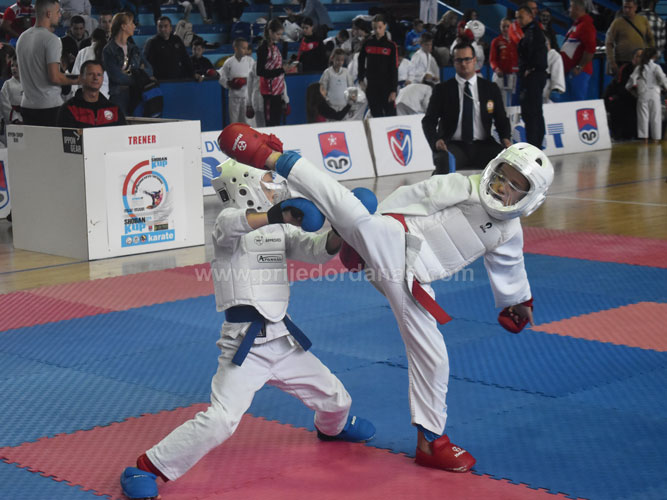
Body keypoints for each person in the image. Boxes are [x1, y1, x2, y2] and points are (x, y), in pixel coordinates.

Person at [219, 122, 554, 476]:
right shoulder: (464, 187)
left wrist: (517, 301)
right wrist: (377, 219)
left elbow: (510, 265)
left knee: (434, 355)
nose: (503, 188)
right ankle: (274, 158)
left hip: (412, 281)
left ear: (530, 199)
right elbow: (417, 194)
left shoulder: (508, 231)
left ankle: (430, 441)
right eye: (502, 178)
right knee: (353, 212)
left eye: (515, 187)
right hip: (397, 240)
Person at [120, 158, 376, 500]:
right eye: (268, 182)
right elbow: (235, 224)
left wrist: (340, 230)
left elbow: (315, 250)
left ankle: (332, 430)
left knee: (337, 399)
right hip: (245, 346)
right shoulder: (227, 223)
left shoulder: (279, 230)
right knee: (222, 421)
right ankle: (146, 467)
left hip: (283, 342)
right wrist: (278, 214)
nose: (275, 188)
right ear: (245, 185)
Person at [422, 42, 512, 175]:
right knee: (444, 160)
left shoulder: (490, 88)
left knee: (507, 162)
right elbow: (428, 121)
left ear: (474, 60)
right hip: (453, 145)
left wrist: (505, 137)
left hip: (484, 145)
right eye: (459, 60)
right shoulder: (442, 90)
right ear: (453, 62)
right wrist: (436, 141)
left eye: (467, 59)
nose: (463, 64)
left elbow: (501, 119)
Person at [16, 0, 76, 126]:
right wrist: (81, 79)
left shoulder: (22, 37)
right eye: (58, 12)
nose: (60, 15)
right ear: (49, 14)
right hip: (49, 107)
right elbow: (55, 77)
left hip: (27, 105)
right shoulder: (52, 39)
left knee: (33, 140)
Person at [103, 11, 153, 115]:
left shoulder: (134, 48)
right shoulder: (109, 50)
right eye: (131, 23)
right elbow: (117, 77)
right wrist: (139, 75)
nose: (134, 26)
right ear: (123, 26)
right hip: (119, 95)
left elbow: (149, 70)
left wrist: (133, 75)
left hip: (137, 93)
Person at [56, 60, 127, 127]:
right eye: (90, 74)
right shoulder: (69, 109)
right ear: (81, 77)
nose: (95, 78)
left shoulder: (114, 110)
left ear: (103, 79)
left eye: (99, 75)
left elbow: (122, 134)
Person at [516, 4, 547, 148]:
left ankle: (534, 145)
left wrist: (530, 68)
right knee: (534, 112)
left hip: (533, 76)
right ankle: (535, 144)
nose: (519, 21)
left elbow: (533, 53)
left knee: (531, 113)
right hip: (534, 75)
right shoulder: (530, 31)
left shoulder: (533, 31)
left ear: (530, 16)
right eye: (517, 18)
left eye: (521, 17)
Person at [358, 14, 398, 117]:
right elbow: (360, 60)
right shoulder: (367, 43)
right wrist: (360, 79)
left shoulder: (391, 46)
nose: (377, 30)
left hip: (387, 87)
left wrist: (393, 90)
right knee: (376, 115)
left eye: (380, 27)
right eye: (375, 28)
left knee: (391, 116)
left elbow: (394, 68)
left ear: (385, 26)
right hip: (372, 87)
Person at [626, 47, 667, 143]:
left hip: (642, 94)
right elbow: (662, 79)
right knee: (655, 117)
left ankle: (644, 139)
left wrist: (631, 90)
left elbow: (631, 81)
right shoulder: (656, 67)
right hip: (655, 94)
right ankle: (656, 139)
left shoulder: (639, 68)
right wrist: (665, 87)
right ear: (654, 57)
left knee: (642, 117)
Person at [605, 0, 654, 75]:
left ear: (635, 7)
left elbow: (650, 39)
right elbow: (609, 43)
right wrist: (612, 62)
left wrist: (649, 55)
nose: (627, 10)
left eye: (629, 7)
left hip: (639, 62)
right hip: (621, 62)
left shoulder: (643, 20)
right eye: (625, 7)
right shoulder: (617, 23)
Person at [560, 0, 596, 102]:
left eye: (571, 7)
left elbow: (590, 50)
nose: (569, 9)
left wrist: (580, 67)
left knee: (577, 104)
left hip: (578, 73)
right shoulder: (577, 25)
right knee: (567, 104)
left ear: (577, 9)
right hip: (570, 71)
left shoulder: (586, 25)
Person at [604, 47, 642, 140]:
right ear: (633, 59)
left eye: (642, 56)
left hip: (640, 99)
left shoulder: (651, 70)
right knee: (618, 104)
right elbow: (621, 87)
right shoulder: (625, 68)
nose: (640, 58)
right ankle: (618, 134)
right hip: (623, 97)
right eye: (638, 56)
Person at [257, 18, 288, 126]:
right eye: (278, 34)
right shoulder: (263, 48)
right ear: (270, 32)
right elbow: (260, 71)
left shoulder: (275, 47)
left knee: (277, 123)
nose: (279, 37)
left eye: (281, 34)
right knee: (270, 123)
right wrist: (281, 70)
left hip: (277, 91)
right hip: (269, 92)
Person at [143, 16, 194, 81]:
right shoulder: (152, 42)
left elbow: (185, 58)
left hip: (177, 80)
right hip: (159, 81)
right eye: (160, 26)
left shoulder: (177, 40)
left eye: (165, 26)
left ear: (171, 28)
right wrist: (149, 76)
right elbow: (145, 62)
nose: (162, 29)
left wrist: (193, 73)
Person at [219, 37, 254, 124]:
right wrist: (229, 83)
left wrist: (244, 80)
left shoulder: (250, 61)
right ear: (236, 48)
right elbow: (222, 76)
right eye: (243, 48)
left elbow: (255, 76)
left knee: (246, 122)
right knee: (234, 121)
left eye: (246, 48)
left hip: (246, 97)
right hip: (233, 96)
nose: (245, 50)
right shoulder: (229, 62)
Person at [70, 28, 109, 98]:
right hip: (105, 95)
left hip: (85, 95)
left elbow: (75, 75)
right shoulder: (109, 53)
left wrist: (74, 95)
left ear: (92, 39)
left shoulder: (83, 52)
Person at [490, 17, 519, 108]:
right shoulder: (496, 41)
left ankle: (510, 116)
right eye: (503, 26)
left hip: (512, 75)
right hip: (500, 75)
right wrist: (497, 69)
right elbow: (492, 59)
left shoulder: (516, 41)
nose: (506, 29)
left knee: (511, 100)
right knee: (499, 100)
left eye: (508, 26)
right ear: (500, 27)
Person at [320, 48, 354, 112]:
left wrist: (352, 106)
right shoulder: (327, 72)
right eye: (338, 60)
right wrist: (326, 100)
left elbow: (351, 88)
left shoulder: (346, 72)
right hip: (331, 107)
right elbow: (322, 89)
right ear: (332, 58)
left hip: (345, 107)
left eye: (342, 60)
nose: (340, 62)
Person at [0, 56, 23, 143]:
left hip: (27, 118)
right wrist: (14, 118)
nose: (14, 68)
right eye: (12, 65)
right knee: (14, 144)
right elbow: (4, 103)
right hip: (13, 120)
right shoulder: (7, 84)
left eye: (17, 66)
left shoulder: (28, 82)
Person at [544, 38, 565, 103]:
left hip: (547, 87)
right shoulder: (534, 55)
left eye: (547, 44)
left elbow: (557, 73)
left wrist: (556, 90)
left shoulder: (554, 55)